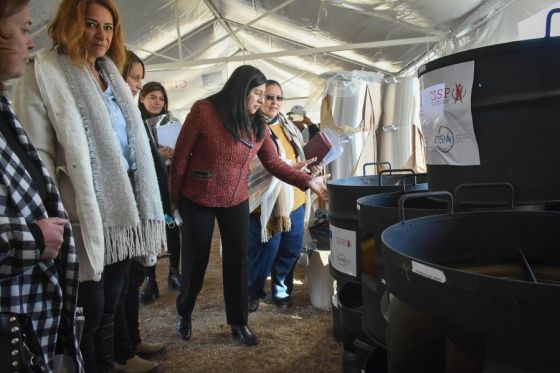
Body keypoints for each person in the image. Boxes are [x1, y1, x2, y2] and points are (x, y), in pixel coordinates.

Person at [12, 1, 167, 372]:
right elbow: (37, 152)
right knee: (89, 305)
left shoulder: (109, 73)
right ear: (69, 24)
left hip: (120, 207)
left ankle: (109, 361)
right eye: (91, 25)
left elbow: (130, 142)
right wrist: (50, 211)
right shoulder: (44, 70)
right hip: (79, 210)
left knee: (110, 300)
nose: (101, 35)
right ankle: (92, 365)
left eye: (108, 27)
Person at [170, 65, 329, 347]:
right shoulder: (204, 111)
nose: (261, 100)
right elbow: (181, 158)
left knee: (237, 261)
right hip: (198, 198)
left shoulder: (258, 125)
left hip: (235, 200)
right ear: (241, 90)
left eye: (264, 95)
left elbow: (275, 164)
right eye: (258, 93)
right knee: (196, 261)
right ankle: (184, 312)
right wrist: (175, 202)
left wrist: (307, 181)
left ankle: (239, 322)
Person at [0, 2, 84, 372]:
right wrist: (31, 239)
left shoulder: (4, 108)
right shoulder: (38, 79)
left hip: (28, 307)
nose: (29, 43)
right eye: (21, 29)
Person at [111, 50, 164, 373]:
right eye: (134, 78)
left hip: (137, 211)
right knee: (118, 288)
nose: (137, 85)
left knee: (131, 282)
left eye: (139, 79)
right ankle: (122, 350)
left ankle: (132, 340)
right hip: (122, 214)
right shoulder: (114, 114)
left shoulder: (129, 113)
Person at [247, 80, 320, 313]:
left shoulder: (287, 123)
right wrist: (292, 167)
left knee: (290, 250)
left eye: (279, 98)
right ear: (258, 99)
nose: (275, 102)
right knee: (265, 253)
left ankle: (281, 290)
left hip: (295, 199)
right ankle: (252, 291)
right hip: (267, 203)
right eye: (269, 97)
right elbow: (256, 165)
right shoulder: (251, 127)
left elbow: (299, 154)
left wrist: (308, 168)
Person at [138, 81, 182, 304]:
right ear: (142, 98)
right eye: (152, 97)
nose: (157, 102)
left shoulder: (172, 123)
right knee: (150, 230)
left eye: (161, 98)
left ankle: (174, 271)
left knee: (171, 226)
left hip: (167, 188)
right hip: (146, 188)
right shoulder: (133, 122)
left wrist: (176, 154)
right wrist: (156, 156)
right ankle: (150, 278)